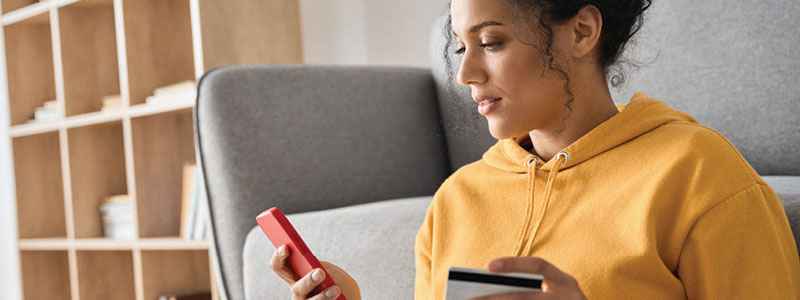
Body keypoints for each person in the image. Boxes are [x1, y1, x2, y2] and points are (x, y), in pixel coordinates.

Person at [269, 0, 800, 299]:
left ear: (582, 31)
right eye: (460, 47)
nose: (464, 74)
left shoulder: (700, 175)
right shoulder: (458, 198)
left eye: (492, 42)